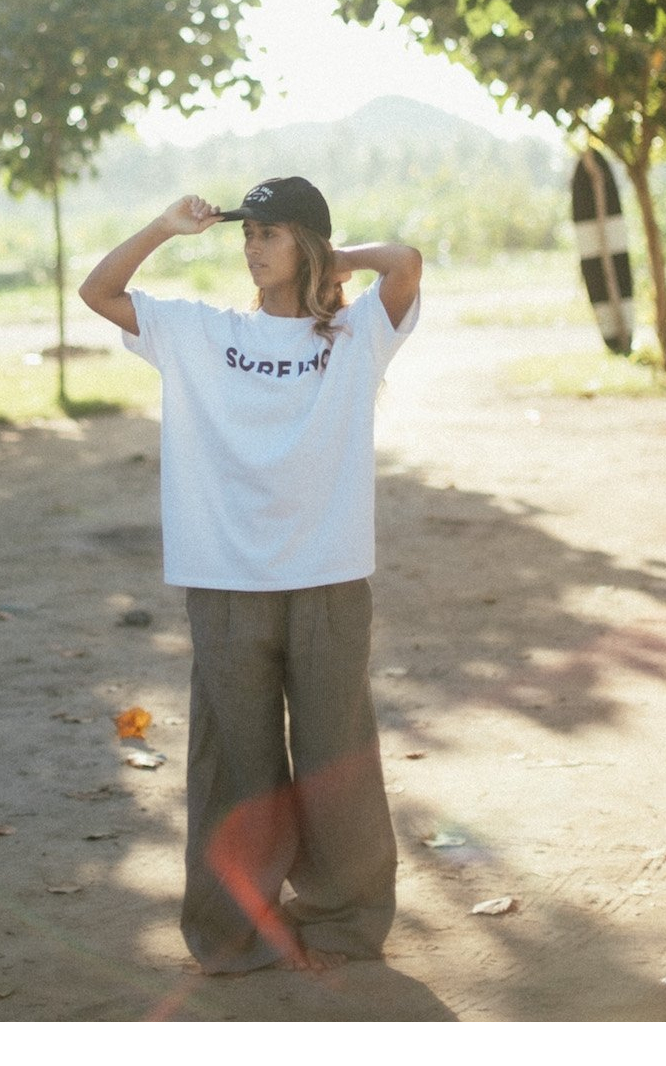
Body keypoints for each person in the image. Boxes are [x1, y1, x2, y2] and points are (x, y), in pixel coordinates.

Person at [78, 176, 422, 975]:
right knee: (236, 763)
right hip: (226, 578)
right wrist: (163, 227)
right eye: (247, 233)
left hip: (330, 576)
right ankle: (234, 929)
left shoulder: (357, 333)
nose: (250, 246)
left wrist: (337, 257)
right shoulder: (199, 333)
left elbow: (404, 263)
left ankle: (344, 919)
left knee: (338, 755)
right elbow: (100, 291)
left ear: (307, 243)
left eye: (268, 232)